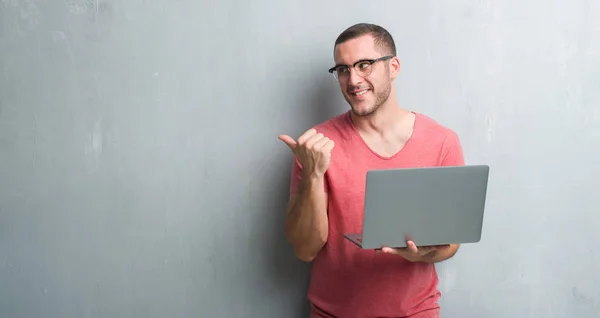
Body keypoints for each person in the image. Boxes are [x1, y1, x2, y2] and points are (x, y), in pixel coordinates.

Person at [278, 23, 465, 318]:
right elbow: (305, 249)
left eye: (364, 65)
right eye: (342, 69)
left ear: (394, 67)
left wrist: (423, 254)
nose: (353, 80)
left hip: (415, 313)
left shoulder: (442, 141)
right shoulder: (315, 145)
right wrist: (313, 175)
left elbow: (450, 244)